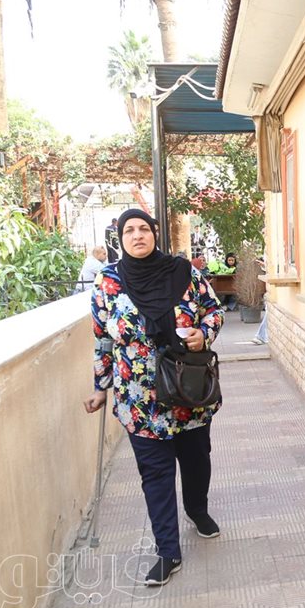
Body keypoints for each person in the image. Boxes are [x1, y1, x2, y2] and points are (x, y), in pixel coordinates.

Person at [82, 208, 225, 586]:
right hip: (139, 400)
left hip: (187, 391)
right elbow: (103, 339)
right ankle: (167, 551)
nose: (137, 235)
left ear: (155, 233)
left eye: (143, 228)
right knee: (155, 474)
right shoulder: (108, 281)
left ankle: (197, 509)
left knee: (196, 461)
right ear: (120, 238)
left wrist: (203, 334)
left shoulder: (183, 272)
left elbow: (213, 310)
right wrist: (100, 387)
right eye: (129, 230)